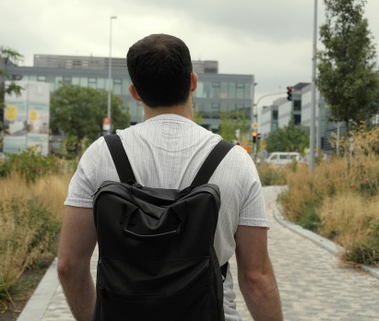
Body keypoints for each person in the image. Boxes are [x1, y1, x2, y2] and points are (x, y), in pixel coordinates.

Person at [57, 33, 283, 321]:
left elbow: (68, 265)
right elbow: (256, 276)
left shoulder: (100, 155)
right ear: (192, 82)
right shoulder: (235, 161)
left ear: (135, 92)